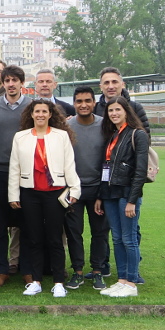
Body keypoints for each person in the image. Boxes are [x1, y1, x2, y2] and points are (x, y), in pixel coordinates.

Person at [9, 100, 80, 297]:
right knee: (34, 238)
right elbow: (14, 167)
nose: (40, 114)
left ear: (50, 114)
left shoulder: (61, 136)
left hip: (55, 193)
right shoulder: (20, 137)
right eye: (37, 111)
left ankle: (58, 282)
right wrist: (13, 195)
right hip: (29, 192)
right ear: (31, 114)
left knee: (55, 238)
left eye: (44, 111)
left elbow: (69, 164)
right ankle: (36, 281)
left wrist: (75, 190)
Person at [95, 97, 148, 297]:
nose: (114, 113)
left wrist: (132, 200)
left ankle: (132, 282)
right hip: (110, 193)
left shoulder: (137, 134)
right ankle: (122, 279)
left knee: (129, 238)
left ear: (126, 111)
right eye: (110, 111)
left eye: (117, 110)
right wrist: (101, 195)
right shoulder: (112, 135)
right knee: (117, 238)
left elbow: (140, 170)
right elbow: (106, 168)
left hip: (127, 194)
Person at [0, 65, 27, 287]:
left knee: (27, 223)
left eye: (14, 80)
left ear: (22, 83)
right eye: (7, 80)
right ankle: (1, 270)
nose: (10, 84)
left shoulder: (33, 106)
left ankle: (27, 269)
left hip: (25, 173)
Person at [65, 87, 110, 290]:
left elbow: (108, 160)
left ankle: (98, 271)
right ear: (74, 103)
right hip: (74, 190)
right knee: (74, 232)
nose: (83, 105)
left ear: (94, 103)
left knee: (100, 232)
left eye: (87, 101)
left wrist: (103, 191)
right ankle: (78, 271)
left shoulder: (105, 126)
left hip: (98, 189)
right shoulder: (66, 126)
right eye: (79, 101)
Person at [94, 67, 150, 132]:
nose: (111, 87)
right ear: (101, 87)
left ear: (122, 85)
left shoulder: (135, 108)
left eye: (114, 82)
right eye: (106, 83)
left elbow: (145, 137)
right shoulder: (94, 110)